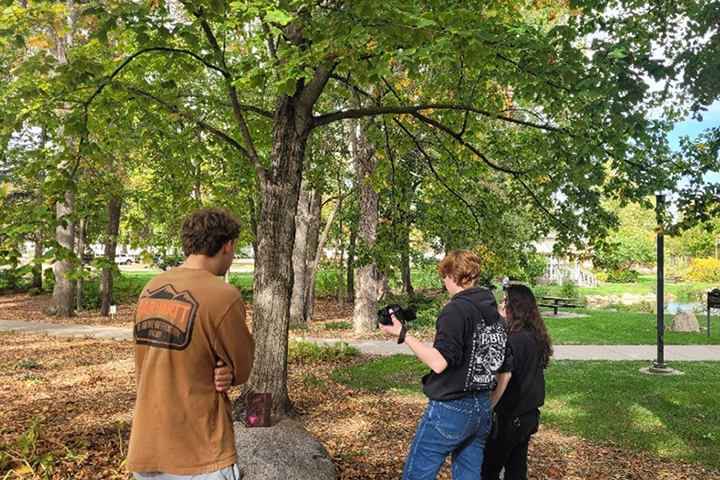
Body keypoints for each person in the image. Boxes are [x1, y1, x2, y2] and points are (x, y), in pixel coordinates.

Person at [127, 208, 255, 480]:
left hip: (146, 445)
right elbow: (243, 370)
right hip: (200, 452)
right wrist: (229, 371)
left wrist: (223, 371)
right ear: (227, 246)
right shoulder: (223, 296)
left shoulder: (151, 288)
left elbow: (157, 356)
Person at [380, 249, 512, 480]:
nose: (444, 283)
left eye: (444, 277)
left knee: (416, 476)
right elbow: (506, 371)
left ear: (452, 275)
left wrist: (403, 334)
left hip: (451, 409)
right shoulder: (496, 318)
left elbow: (439, 362)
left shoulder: (456, 309)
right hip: (482, 409)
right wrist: (487, 406)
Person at [481, 284, 553, 480]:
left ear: (516, 306)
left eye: (505, 300)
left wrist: (488, 407)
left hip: (509, 418)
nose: (501, 304)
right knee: (516, 469)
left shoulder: (514, 340)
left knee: (487, 471)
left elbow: (504, 375)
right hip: (528, 416)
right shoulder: (534, 335)